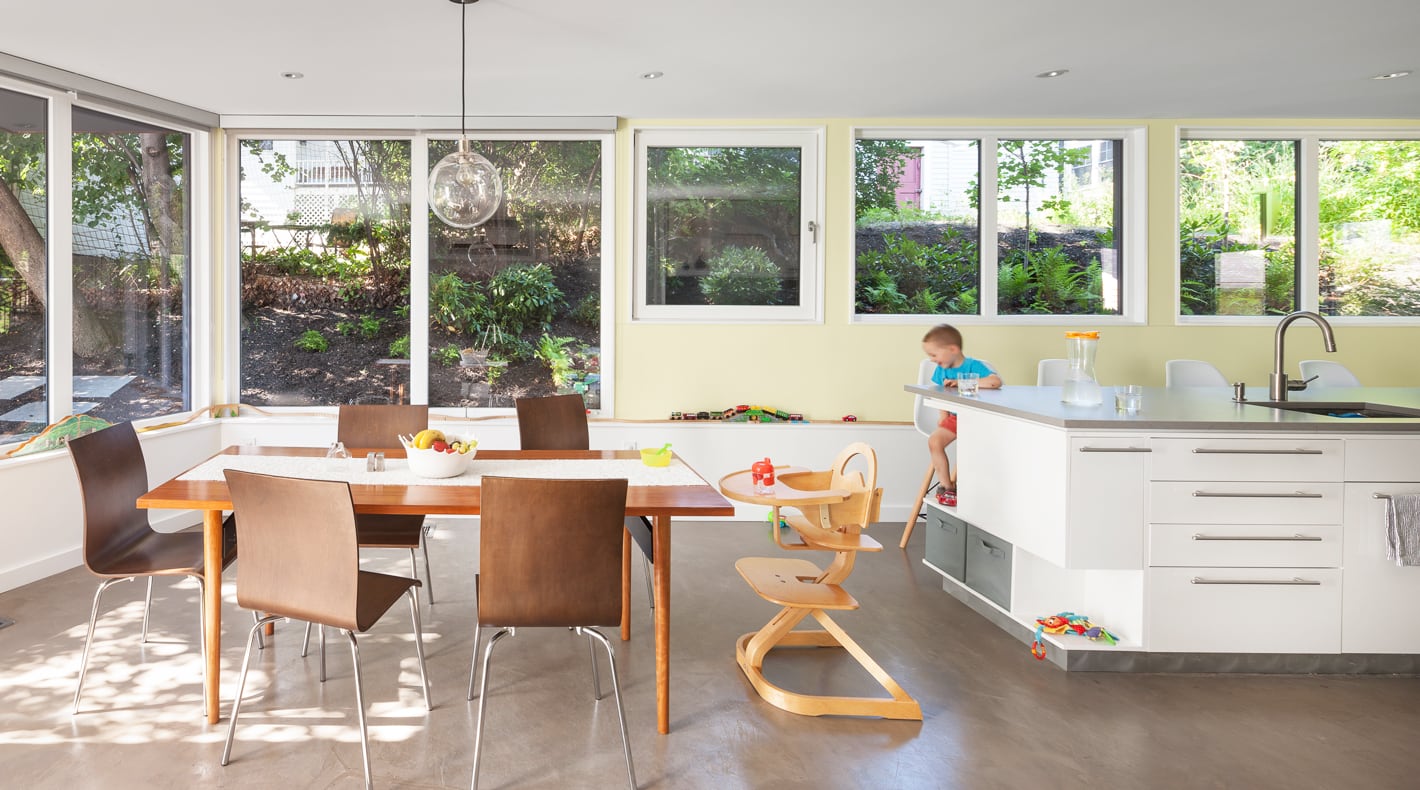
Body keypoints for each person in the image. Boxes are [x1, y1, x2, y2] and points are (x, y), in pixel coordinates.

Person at [922, 324, 1001, 505]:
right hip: (956, 418)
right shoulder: (941, 370)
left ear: (953, 350)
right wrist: (943, 414)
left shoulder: (974, 366)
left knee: (973, 450)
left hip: (977, 418)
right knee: (934, 441)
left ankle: (975, 489)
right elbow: (939, 392)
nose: (932, 360)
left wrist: (961, 382)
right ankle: (947, 487)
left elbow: (995, 382)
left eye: (934, 355)